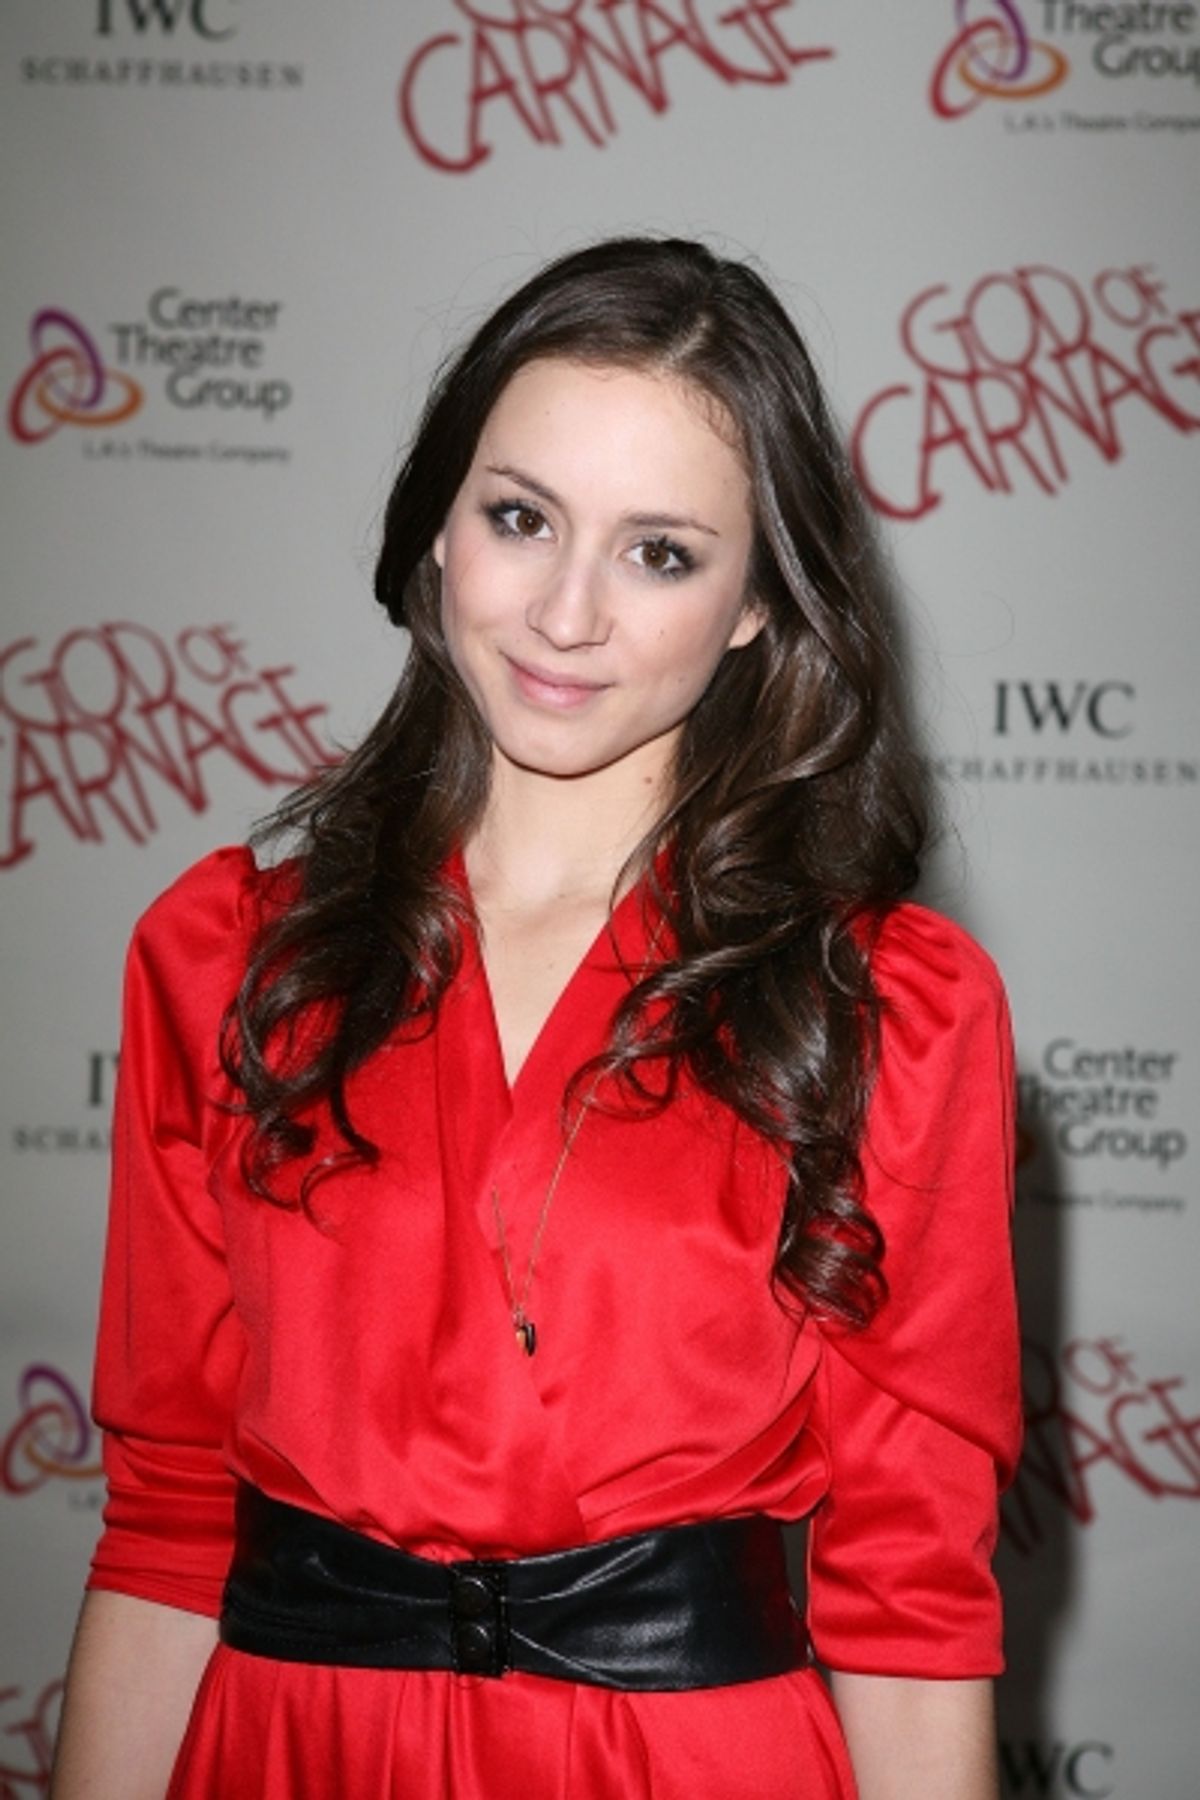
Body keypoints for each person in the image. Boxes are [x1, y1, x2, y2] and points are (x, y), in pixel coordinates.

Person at [51, 236, 1021, 1800]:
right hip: (289, 1750)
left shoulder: (886, 1008)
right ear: (441, 529)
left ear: (763, 602)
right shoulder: (227, 956)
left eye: (660, 554)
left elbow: (909, 1603)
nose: (567, 613)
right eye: (521, 520)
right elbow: (168, 1519)